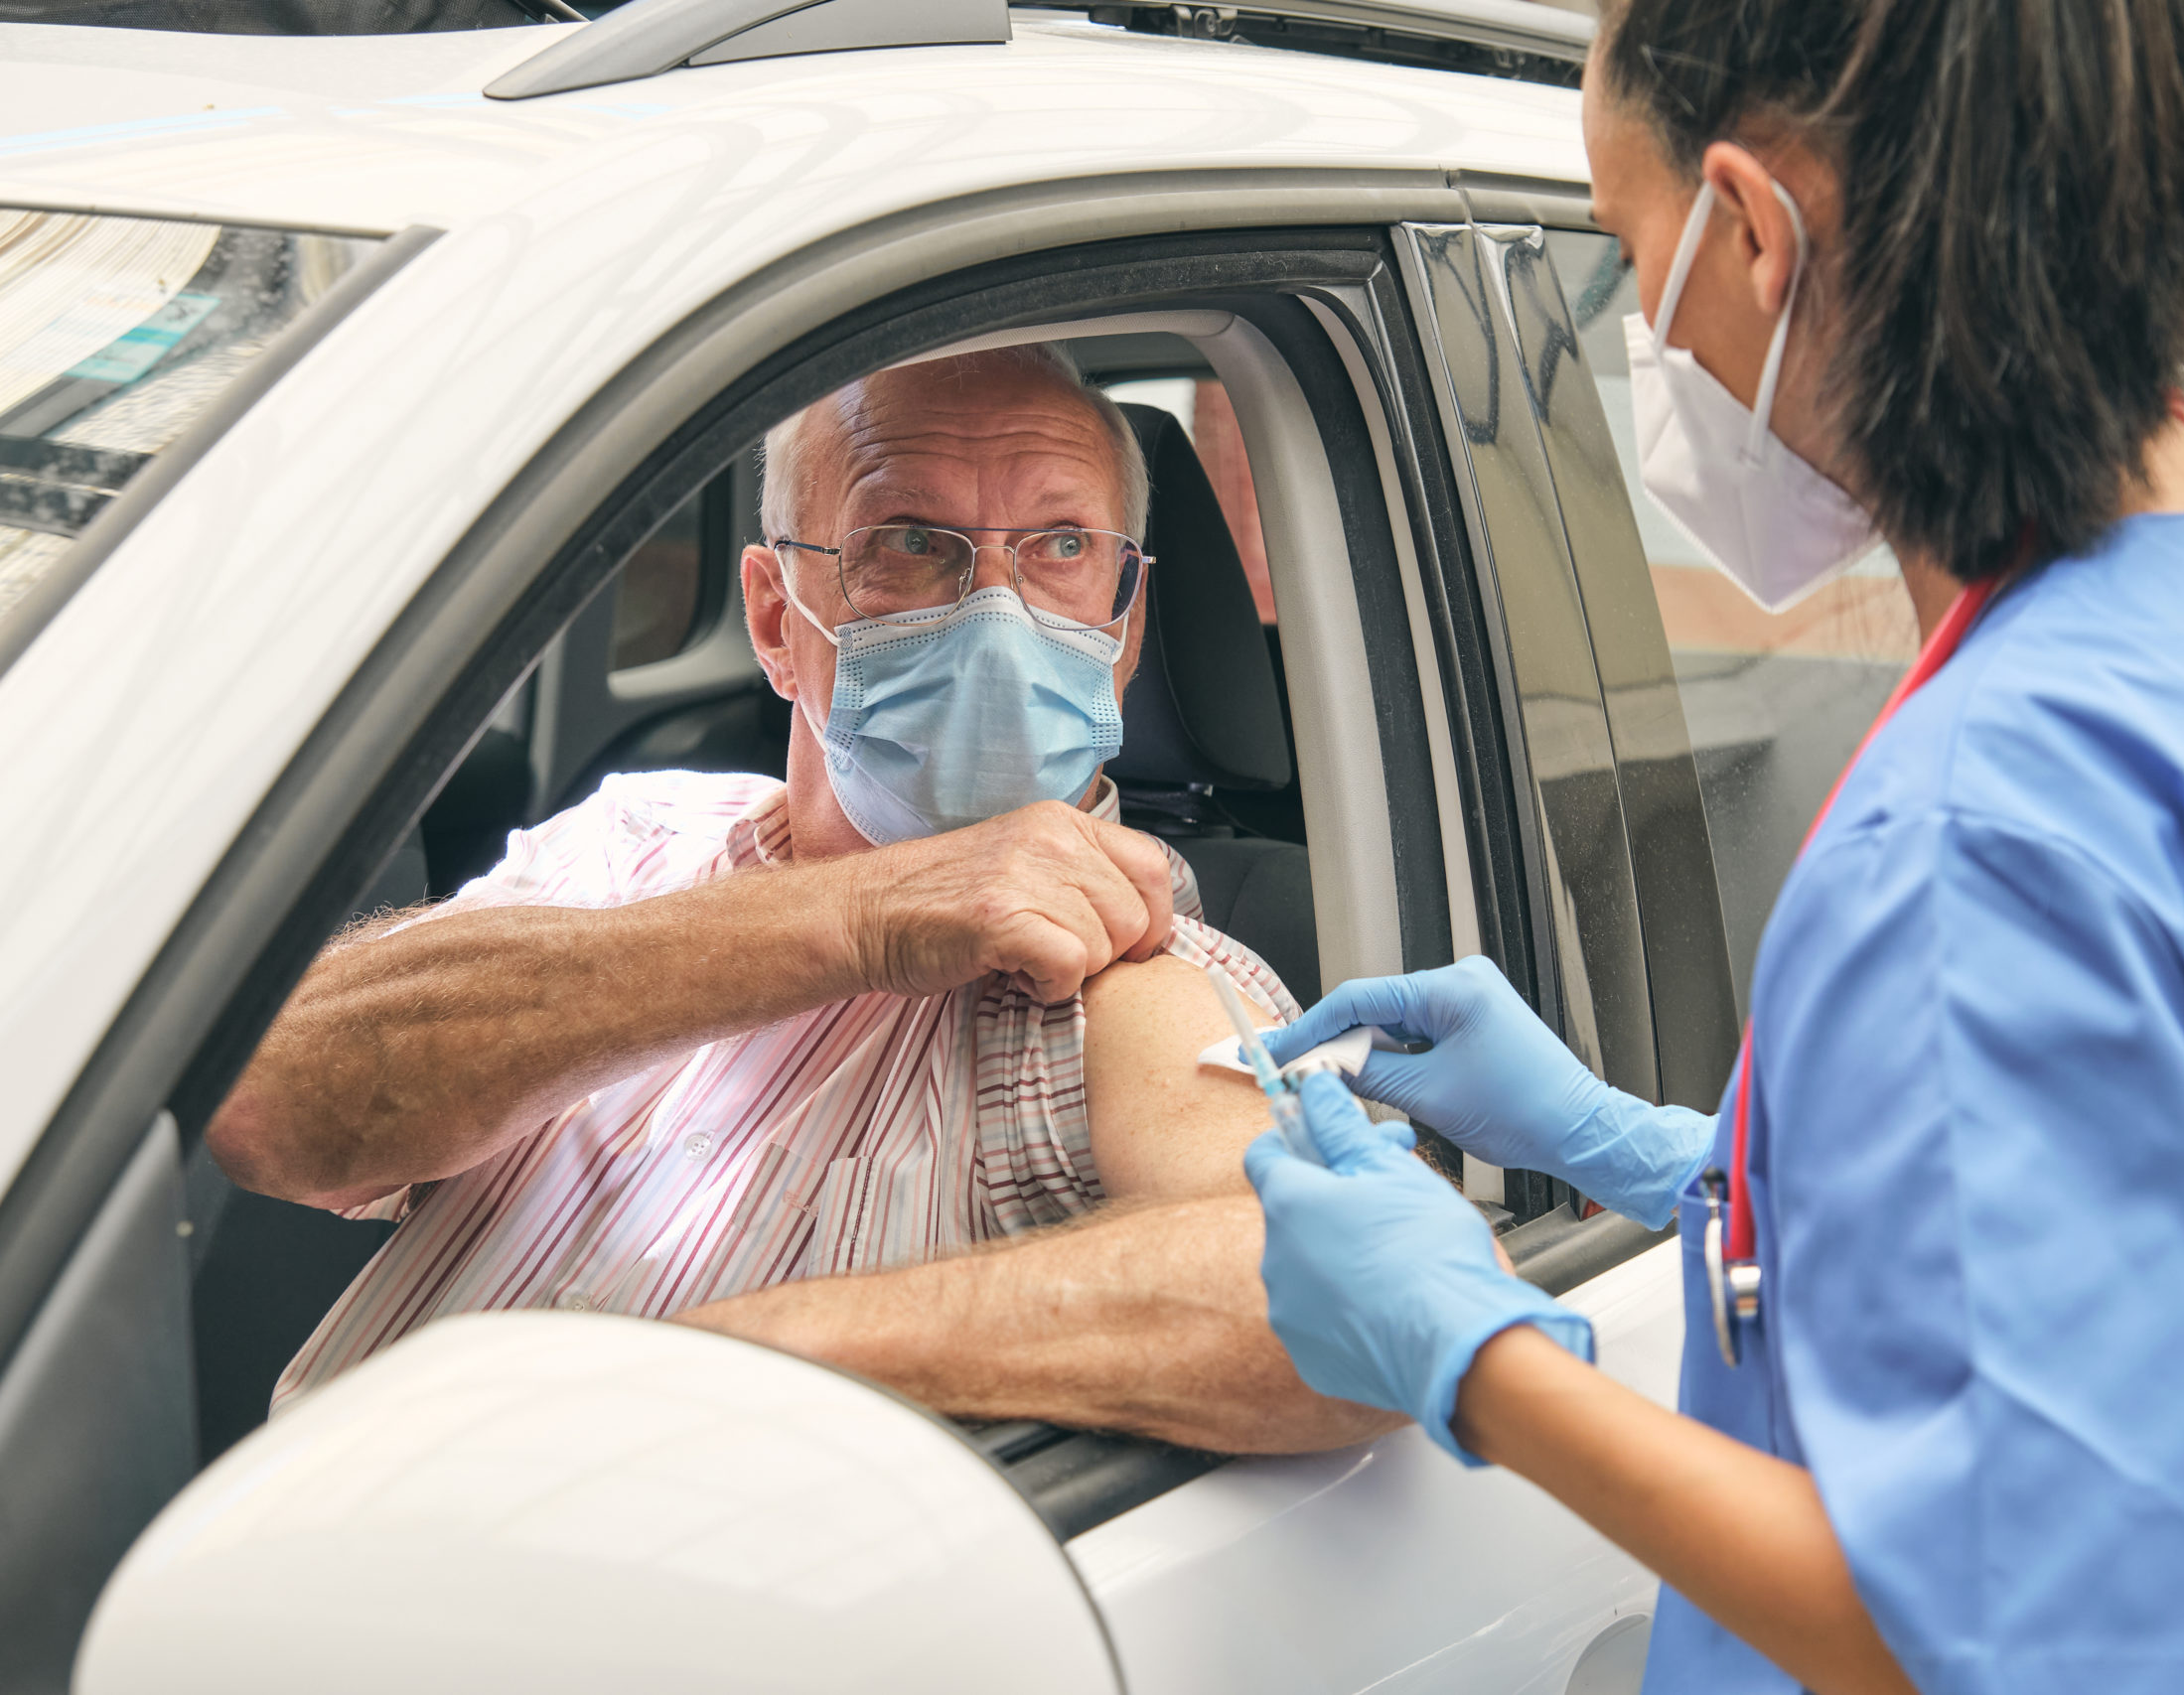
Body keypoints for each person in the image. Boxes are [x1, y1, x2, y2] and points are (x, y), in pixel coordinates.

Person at [1241, 1, 2184, 1692]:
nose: (1648, 343)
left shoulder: (1984, 827)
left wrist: (1475, 1359)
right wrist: (1664, 1157)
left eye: (1632, 260)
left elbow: (2004, 1636)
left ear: (1757, 234)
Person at [209, 346, 1387, 1455]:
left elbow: (1352, 1288)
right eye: (910, 540)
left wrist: (727, 1360)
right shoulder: (625, 840)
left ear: (1123, 625)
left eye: (1063, 545)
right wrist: (856, 918)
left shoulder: (1123, 975)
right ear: (776, 618)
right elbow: (272, 1101)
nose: (997, 612)